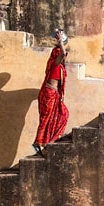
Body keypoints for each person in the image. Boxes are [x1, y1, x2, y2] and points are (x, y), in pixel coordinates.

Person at [32, 29, 70, 157]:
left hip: (54, 94)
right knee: (46, 118)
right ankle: (38, 142)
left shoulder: (59, 66)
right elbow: (63, 53)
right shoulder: (55, 62)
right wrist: (60, 41)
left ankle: (50, 141)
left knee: (63, 114)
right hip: (49, 93)